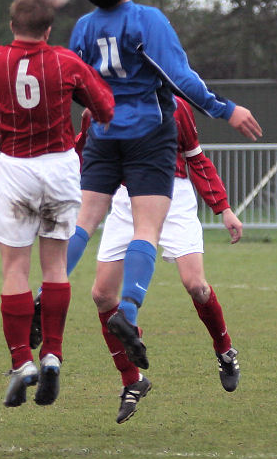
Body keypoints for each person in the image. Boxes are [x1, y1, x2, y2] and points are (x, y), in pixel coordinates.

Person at [64, 0, 261, 370]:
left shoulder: (83, 28)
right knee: (133, 251)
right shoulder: (147, 27)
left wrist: (223, 208)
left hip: (139, 166)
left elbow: (72, 80)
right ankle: (130, 329)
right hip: (144, 155)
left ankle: (48, 298)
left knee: (194, 284)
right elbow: (182, 77)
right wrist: (226, 109)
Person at [0, 0, 114, 408]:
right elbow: (106, 107)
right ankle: (53, 354)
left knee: (14, 268)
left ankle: (22, 362)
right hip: (59, 167)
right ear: (49, 29)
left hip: (15, 169)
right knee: (55, 266)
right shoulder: (66, 62)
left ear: (11, 26)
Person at [92, 97, 242, 423]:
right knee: (102, 296)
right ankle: (132, 380)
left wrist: (224, 208)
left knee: (196, 286)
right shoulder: (101, 102)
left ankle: (225, 349)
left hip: (173, 193)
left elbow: (196, 158)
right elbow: (85, 154)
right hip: (126, 195)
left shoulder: (174, 105)